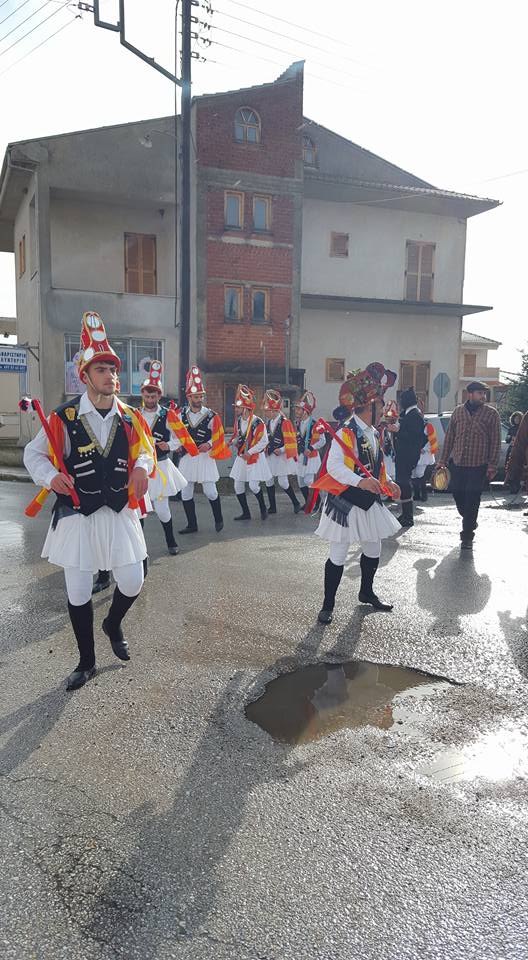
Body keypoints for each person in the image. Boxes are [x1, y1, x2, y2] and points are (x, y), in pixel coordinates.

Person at [23, 311, 154, 690]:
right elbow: (34, 455)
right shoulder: (61, 418)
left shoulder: (130, 418)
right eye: (102, 370)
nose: (111, 376)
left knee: (133, 580)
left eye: (113, 370)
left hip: (117, 509)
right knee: (78, 590)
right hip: (77, 513)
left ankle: (112, 623)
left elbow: (145, 451)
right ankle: (87, 661)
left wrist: (143, 467)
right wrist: (51, 477)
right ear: (84, 376)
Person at [312, 363, 401, 623]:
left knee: (374, 547)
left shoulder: (374, 433)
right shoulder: (345, 432)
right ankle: (328, 605)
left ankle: (367, 592)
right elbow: (333, 467)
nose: (384, 410)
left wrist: (389, 483)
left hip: (369, 502)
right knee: (338, 553)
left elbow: (377, 466)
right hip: (346, 502)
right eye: (381, 404)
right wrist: (359, 482)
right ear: (368, 406)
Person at [139, 360, 195, 555]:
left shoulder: (169, 415)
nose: (150, 398)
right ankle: (139, 550)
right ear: (143, 395)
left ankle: (171, 542)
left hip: (161, 467)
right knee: (140, 510)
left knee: (162, 510)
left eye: (153, 395)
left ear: (159, 395)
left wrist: (168, 445)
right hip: (140, 469)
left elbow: (181, 439)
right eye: (146, 395)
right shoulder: (135, 415)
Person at [438, 380, 501, 549]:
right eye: (480, 393)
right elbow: (450, 437)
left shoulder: (491, 414)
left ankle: (467, 536)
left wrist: (492, 465)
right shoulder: (458, 412)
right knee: (458, 494)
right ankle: (469, 519)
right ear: (470, 394)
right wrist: (442, 460)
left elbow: (496, 441)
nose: (483, 396)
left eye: (484, 393)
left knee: (473, 499)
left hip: (478, 465)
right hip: (458, 463)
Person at [175, 365, 231, 534]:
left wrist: (210, 444)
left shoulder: (212, 416)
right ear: (189, 397)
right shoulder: (180, 415)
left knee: (210, 491)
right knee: (186, 492)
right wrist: (177, 445)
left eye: (201, 396)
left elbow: (219, 436)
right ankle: (192, 525)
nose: (199, 399)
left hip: (205, 457)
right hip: (187, 458)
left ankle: (219, 519)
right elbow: (175, 434)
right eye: (195, 396)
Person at [229, 384, 271, 521]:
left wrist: (251, 451)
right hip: (242, 456)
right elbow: (239, 435)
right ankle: (246, 513)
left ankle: (263, 508)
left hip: (254, 458)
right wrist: (234, 441)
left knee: (253, 486)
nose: (236, 409)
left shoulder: (258, 422)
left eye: (238, 407)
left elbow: (264, 442)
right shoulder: (239, 420)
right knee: (237, 485)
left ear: (245, 408)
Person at [389, 387, 426, 527]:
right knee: (402, 483)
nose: (400, 403)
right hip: (403, 453)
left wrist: (398, 431)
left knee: (404, 483)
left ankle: (408, 516)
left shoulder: (415, 415)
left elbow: (416, 437)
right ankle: (405, 514)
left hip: (408, 454)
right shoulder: (407, 414)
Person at [263, 389, 302, 515]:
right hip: (270, 455)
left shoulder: (285, 422)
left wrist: (282, 449)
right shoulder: (268, 422)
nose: (266, 413)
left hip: (281, 456)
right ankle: (272, 507)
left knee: (283, 482)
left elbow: (291, 440)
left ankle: (296, 503)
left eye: (267, 411)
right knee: (268, 480)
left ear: (274, 411)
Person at [295, 391, 326, 504]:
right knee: (301, 482)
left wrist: (312, 448)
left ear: (305, 411)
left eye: (299, 409)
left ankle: (316, 503)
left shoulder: (316, 424)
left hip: (311, 457)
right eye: (296, 409)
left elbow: (323, 440)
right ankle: (308, 503)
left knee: (309, 481)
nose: (296, 411)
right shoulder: (298, 423)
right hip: (301, 455)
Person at [506, 409, 528, 511]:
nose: (517, 420)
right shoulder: (513, 428)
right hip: (514, 449)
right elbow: (519, 446)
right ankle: (513, 485)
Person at [411, 421, 438, 502]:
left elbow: (432, 440)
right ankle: (416, 495)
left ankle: (424, 494)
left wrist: (424, 449)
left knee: (420, 474)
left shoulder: (427, 426)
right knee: (413, 475)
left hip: (424, 455)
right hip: (414, 454)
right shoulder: (412, 425)